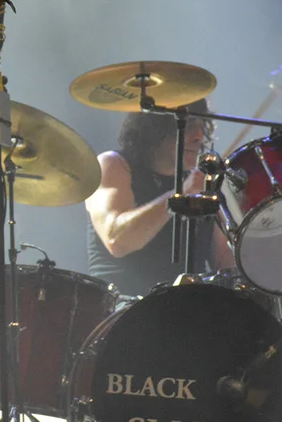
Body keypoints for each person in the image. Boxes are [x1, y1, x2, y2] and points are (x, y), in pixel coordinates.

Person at [86, 99, 234, 297]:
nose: (198, 136)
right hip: (124, 305)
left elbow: (225, 263)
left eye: (202, 127)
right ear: (156, 129)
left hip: (186, 304)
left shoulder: (202, 183)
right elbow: (117, 240)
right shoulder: (113, 164)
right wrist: (180, 194)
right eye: (189, 126)